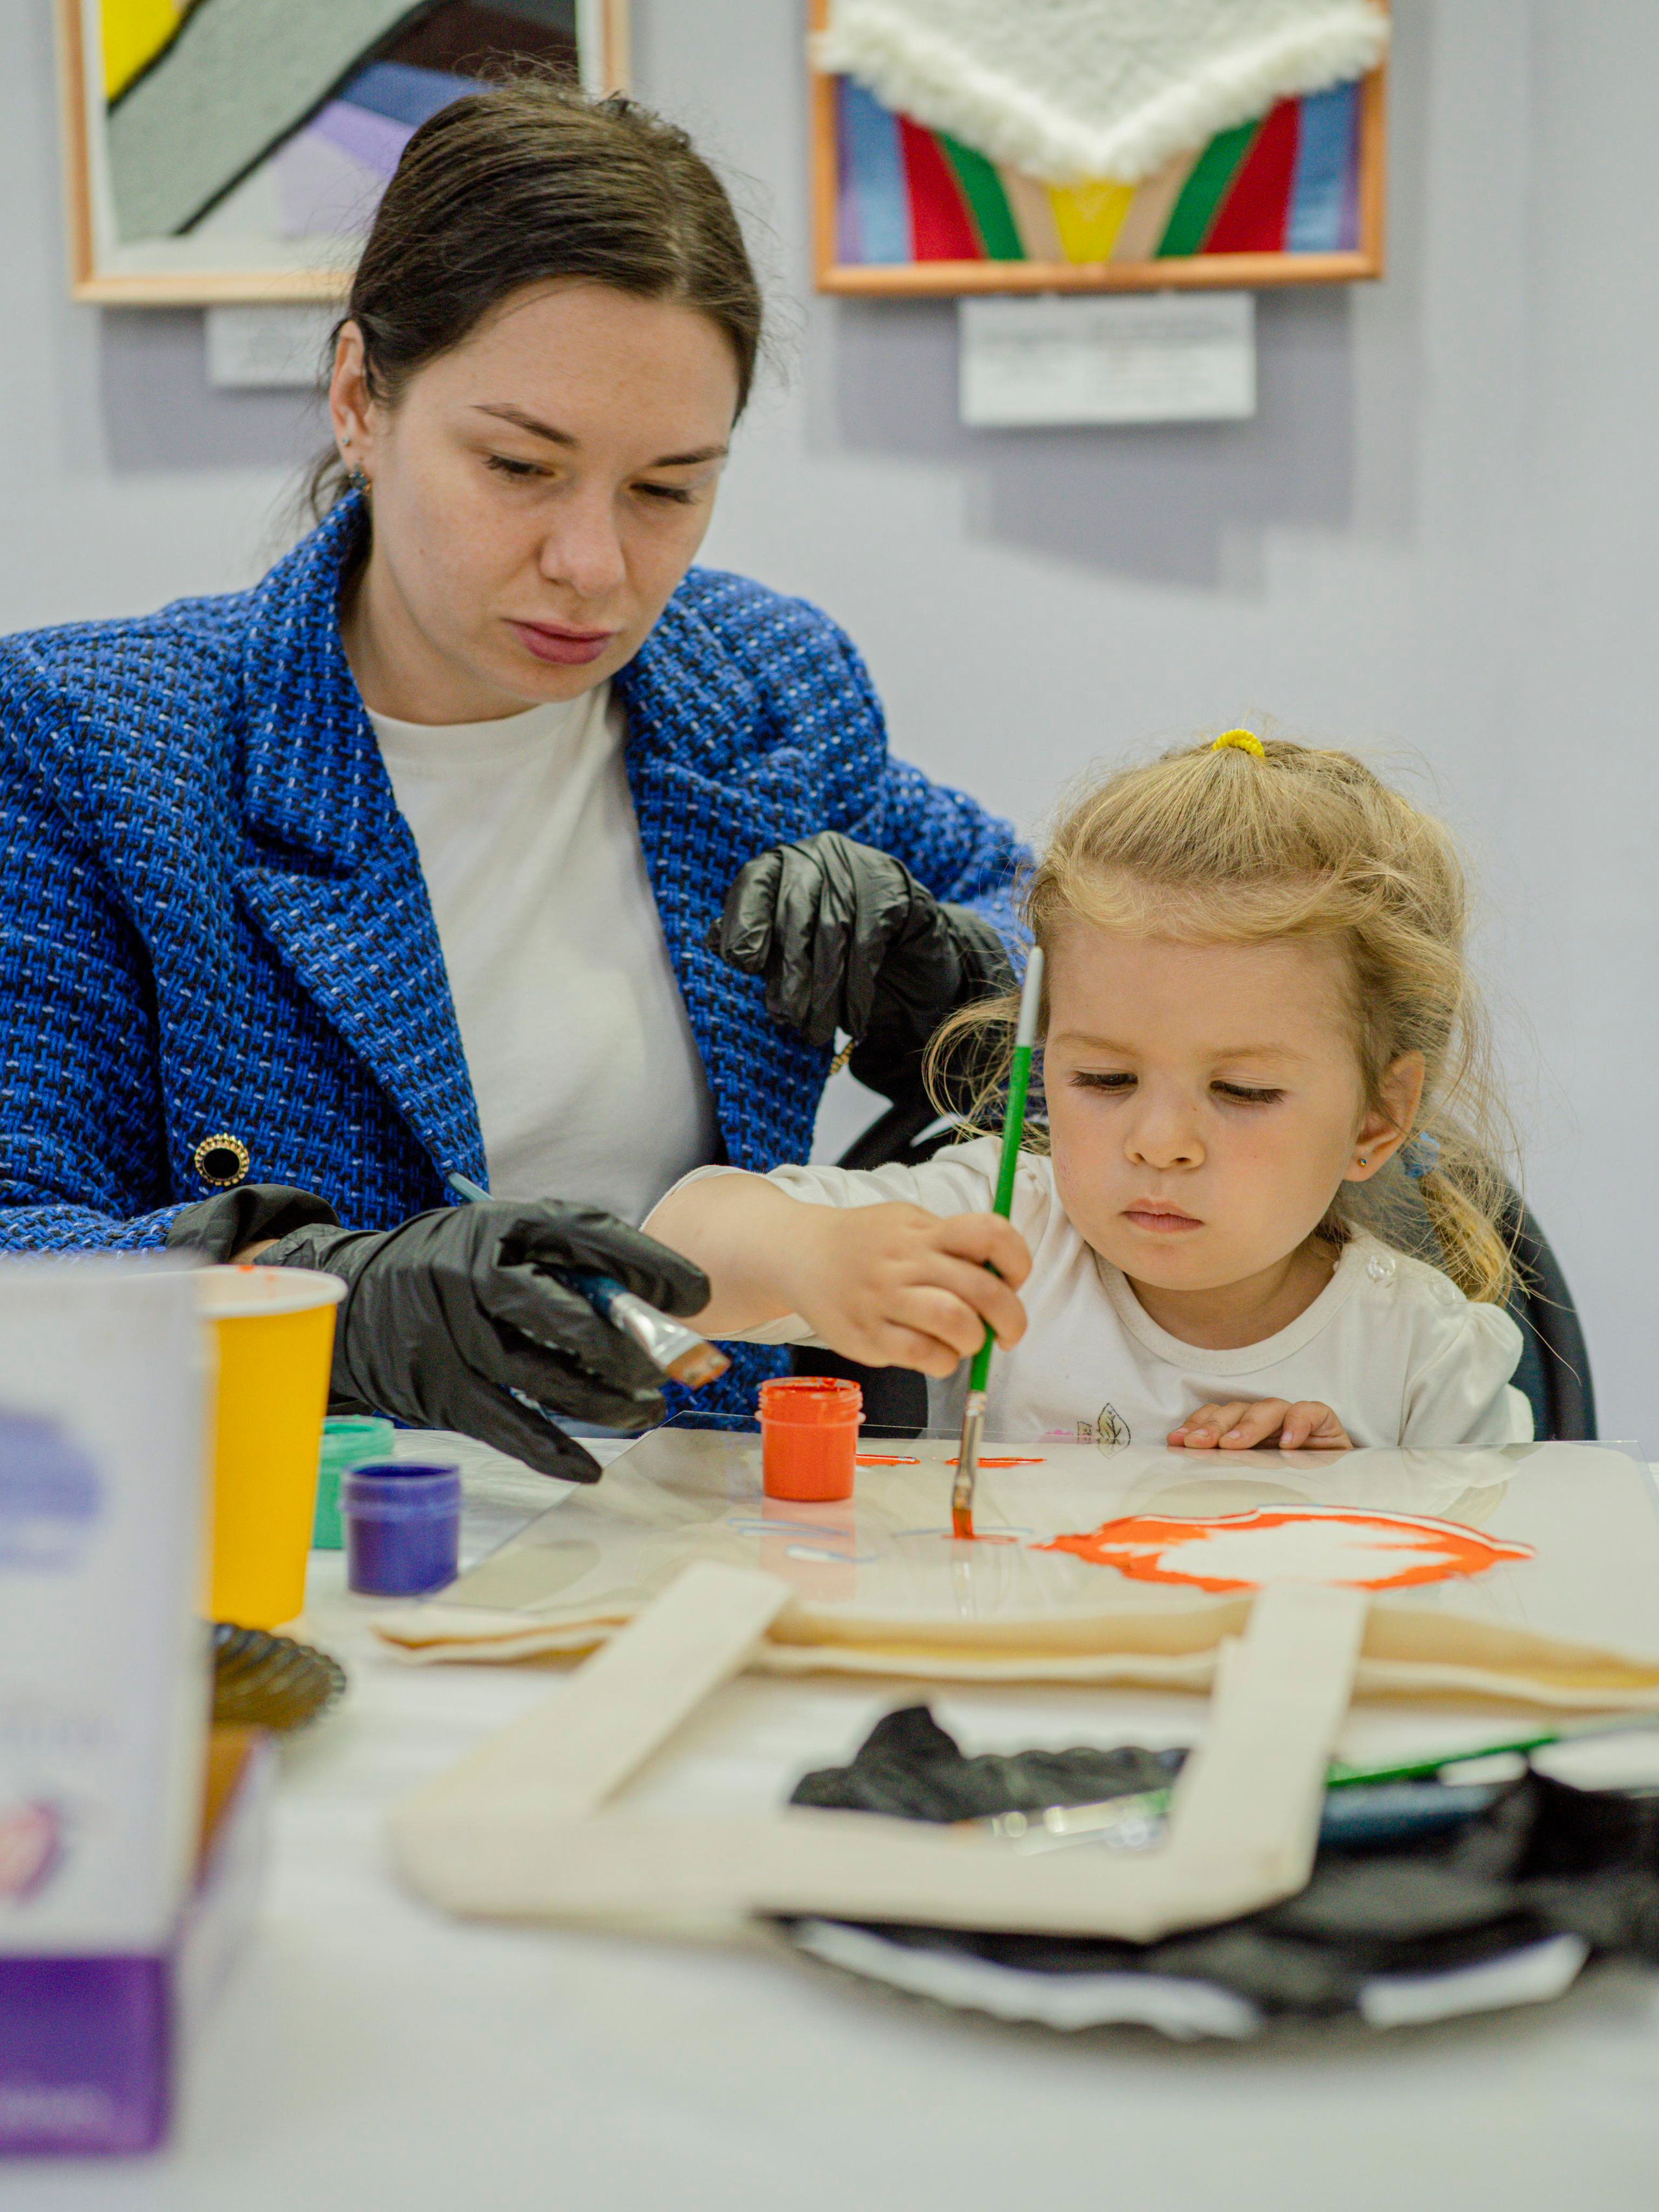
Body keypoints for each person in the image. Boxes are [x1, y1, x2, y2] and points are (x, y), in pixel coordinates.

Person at [0, 80, 1025, 1479]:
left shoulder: (766, 690)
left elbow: (1053, 928)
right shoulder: (98, 741)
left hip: (712, 1520)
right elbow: (21, 1244)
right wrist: (334, 1306)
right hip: (305, 1533)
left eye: (668, 488)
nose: (594, 566)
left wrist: (953, 973)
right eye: (520, 465)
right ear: (359, 398)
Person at [645, 730, 1532, 1450]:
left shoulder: (1427, 1365)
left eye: (1243, 1090)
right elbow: (667, 1256)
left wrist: (1356, 1507)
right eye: (1105, 1078)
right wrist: (811, 1254)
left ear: (1378, 1116)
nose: (1159, 1141)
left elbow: (1496, 1592)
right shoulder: (1004, 1231)